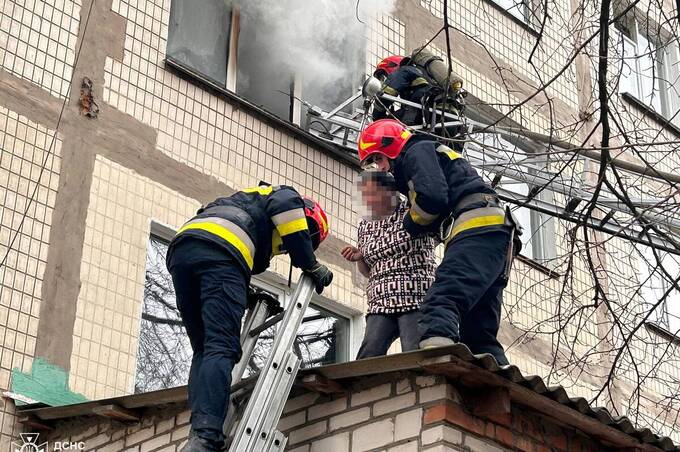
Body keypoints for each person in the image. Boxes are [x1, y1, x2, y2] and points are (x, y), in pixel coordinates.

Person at [166, 182, 333, 452]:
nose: (288, 250)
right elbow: (286, 210)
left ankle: (199, 435)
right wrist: (310, 264)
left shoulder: (240, 203)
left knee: (205, 350)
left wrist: (241, 292)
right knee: (221, 347)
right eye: (304, 238)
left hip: (182, 251)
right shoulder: (287, 196)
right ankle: (206, 438)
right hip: (223, 252)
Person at [357, 119, 521, 366]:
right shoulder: (430, 156)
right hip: (498, 237)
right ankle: (502, 384)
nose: (379, 169)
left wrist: (411, 224)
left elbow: (432, 198)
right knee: (478, 333)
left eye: (377, 159)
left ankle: (438, 368)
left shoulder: (416, 151)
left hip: (476, 230)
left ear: (390, 147)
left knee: (440, 300)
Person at [342, 171, 436, 358]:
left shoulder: (412, 211)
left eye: (371, 193)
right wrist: (359, 257)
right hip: (380, 301)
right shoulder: (365, 226)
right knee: (369, 352)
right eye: (364, 195)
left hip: (415, 296)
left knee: (414, 352)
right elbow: (368, 272)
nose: (367, 200)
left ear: (389, 192)